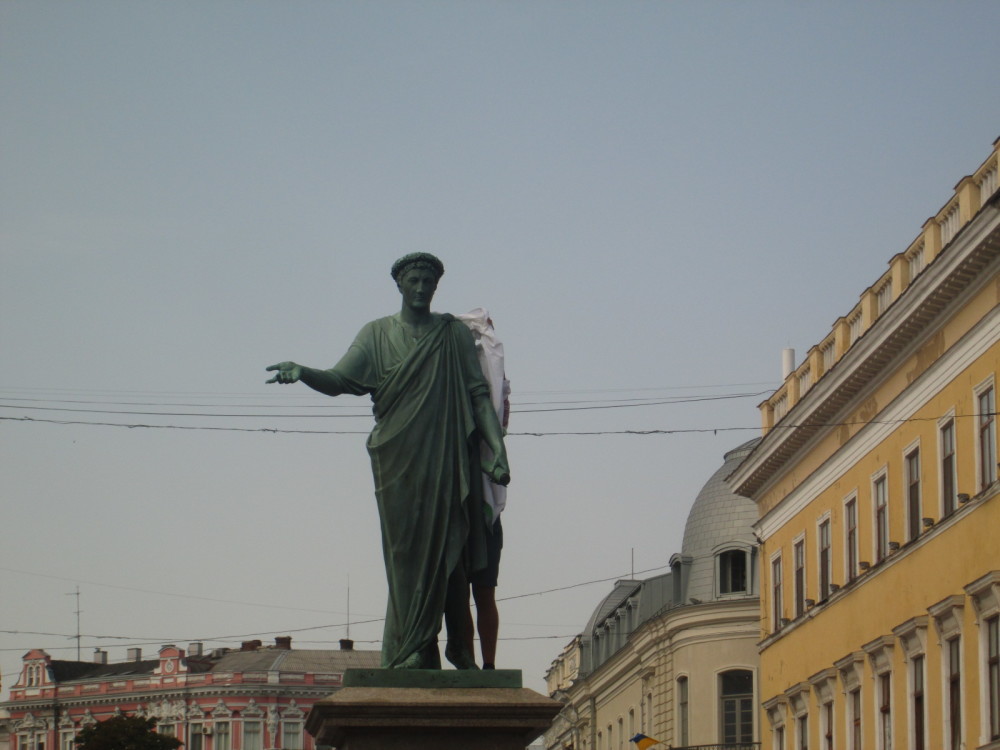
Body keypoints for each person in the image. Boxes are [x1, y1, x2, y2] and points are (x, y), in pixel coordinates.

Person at [266, 253, 510, 670]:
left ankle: (456, 647)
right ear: (400, 284)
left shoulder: (452, 334)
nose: (421, 288)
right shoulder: (376, 334)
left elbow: (478, 395)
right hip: (398, 460)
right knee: (406, 556)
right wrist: (303, 371)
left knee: (451, 549)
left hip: (447, 456)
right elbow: (340, 380)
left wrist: (497, 451)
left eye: (428, 282)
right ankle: (414, 647)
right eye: (414, 280)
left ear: (436, 287)